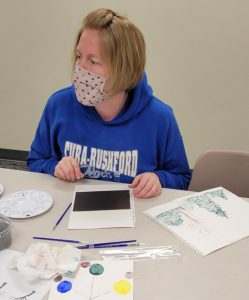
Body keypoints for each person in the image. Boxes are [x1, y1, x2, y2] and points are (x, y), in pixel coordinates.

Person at [27, 8, 191, 198]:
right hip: (69, 213)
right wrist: (54, 166)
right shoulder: (58, 105)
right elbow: (35, 160)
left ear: (124, 69)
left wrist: (158, 179)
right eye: (79, 56)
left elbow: (181, 178)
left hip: (135, 219)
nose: (79, 69)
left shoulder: (160, 117)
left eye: (94, 61)